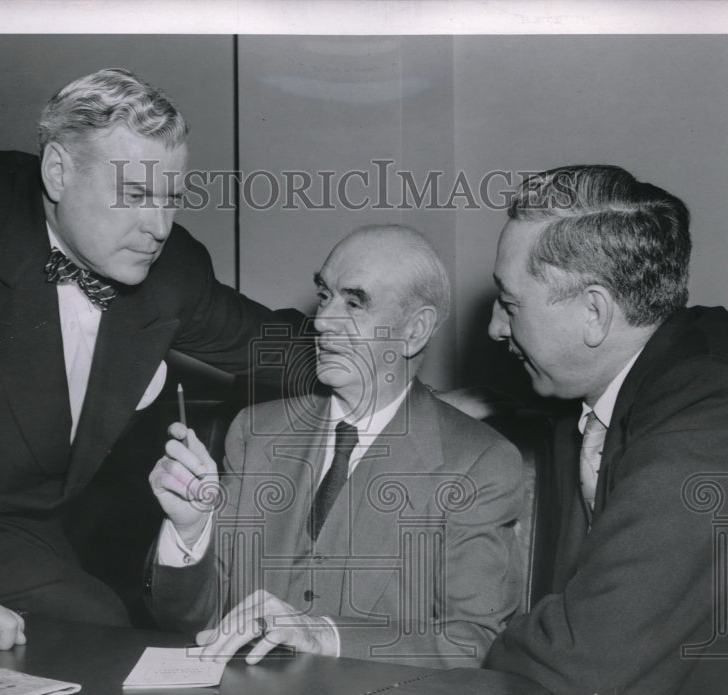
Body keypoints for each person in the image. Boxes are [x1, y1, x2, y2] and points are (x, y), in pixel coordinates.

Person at [0, 68, 303, 654]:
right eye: (136, 196)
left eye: (171, 199)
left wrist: (385, 365)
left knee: (97, 631)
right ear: (57, 171)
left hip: (7, 528)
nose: (159, 228)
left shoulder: (172, 269)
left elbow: (274, 347)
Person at [482, 165, 728, 695]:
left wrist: (464, 650)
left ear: (594, 313)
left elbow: (588, 659)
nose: (494, 328)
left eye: (510, 305)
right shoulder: (638, 382)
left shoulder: (725, 409)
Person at [144, 225, 526, 668]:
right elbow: (183, 623)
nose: (323, 320)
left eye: (354, 302)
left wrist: (327, 635)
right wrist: (191, 533)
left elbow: (472, 643)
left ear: (414, 331)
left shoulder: (478, 463)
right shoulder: (256, 432)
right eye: (325, 296)